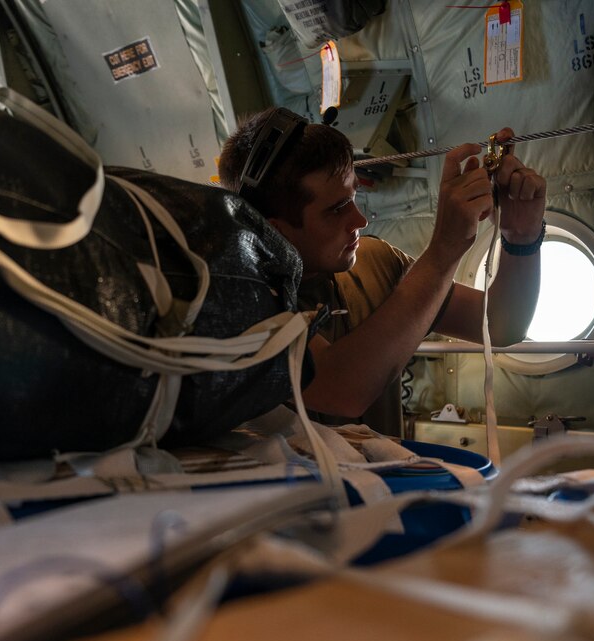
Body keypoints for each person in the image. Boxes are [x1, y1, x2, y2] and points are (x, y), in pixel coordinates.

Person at [218, 107, 545, 437]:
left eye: (353, 196)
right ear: (276, 231)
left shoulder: (375, 262)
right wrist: (444, 248)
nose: (360, 220)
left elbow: (502, 323)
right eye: (335, 210)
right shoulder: (245, 303)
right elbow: (342, 390)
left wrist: (521, 236)